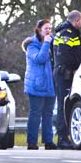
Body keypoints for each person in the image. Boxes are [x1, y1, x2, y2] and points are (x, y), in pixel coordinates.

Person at [52, 10, 81, 149]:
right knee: (63, 106)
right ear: (76, 20)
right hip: (64, 73)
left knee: (64, 105)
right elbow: (65, 55)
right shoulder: (67, 34)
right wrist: (75, 67)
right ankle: (62, 138)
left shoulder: (65, 32)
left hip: (64, 72)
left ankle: (65, 137)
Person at [24, 19, 57, 150]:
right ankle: (32, 142)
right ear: (39, 30)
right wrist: (47, 44)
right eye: (46, 28)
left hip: (50, 84)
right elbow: (40, 59)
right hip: (36, 85)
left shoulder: (53, 43)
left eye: (50, 28)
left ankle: (48, 141)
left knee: (48, 114)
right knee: (35, 113)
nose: (49, 31)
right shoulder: (32, 45)